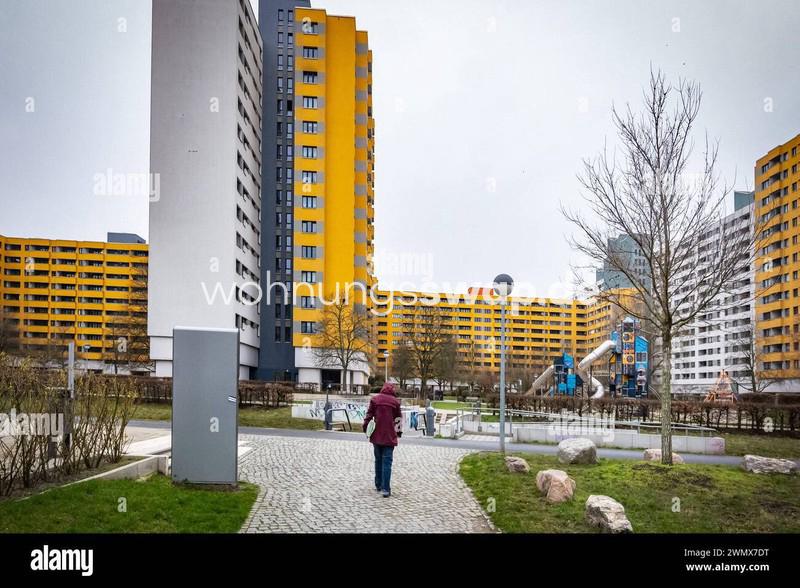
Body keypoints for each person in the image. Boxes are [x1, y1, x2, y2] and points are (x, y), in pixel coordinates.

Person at [363, 382, 402, 498]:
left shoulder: (375, 400)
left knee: (378, 460)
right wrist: (398, 433)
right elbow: (398, 419)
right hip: (390, 436)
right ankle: (385, 489)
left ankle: (378, 484)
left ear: (382, 389)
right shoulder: (395, 402)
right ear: (392, 390)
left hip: (376, 436)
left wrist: (365, 428)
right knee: (387, 463)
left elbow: (369, 415)